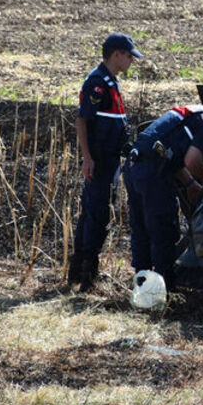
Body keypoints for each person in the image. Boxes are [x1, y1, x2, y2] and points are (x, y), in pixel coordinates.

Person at [123, 92, 203, 290]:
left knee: (141, 230)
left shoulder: (198, 113)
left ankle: (142, 288)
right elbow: (192, 160)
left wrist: (191, 184)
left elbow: (172, 156)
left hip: (135, 166)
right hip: (153, 173)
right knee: (163, 229)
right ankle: (165, 289)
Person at [70, 33, 142, 292]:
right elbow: (82, 120)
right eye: (129, 55)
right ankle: (87, 276)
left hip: (110, 158)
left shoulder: (112, 81)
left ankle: (77, 272)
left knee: (95, 211)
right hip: (99, 159)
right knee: (97, 212)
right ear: (116, 55)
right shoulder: (98, 83)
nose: (132, 60)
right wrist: (87, 158)